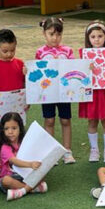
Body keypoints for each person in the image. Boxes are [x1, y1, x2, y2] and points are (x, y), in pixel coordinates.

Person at [79, 20, 105, 163]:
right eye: (93, 36)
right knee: (92, 122)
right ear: (88, 38)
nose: (96, 39)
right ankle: (94, 149)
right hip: (91, 93)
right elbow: (80, 74)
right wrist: (86, 69)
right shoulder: (84, 54)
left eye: (100, 36)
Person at [35, 17, 75, 164]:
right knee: (49, 120)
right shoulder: (40, 52)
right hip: (47, 93)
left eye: (58, 34)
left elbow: (74, 70)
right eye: (51, 34)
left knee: (65, 120)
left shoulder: (68, 51)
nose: (55, 38)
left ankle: (67, 151)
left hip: (64, 92)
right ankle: (51, 151)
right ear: (44, 34)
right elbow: (37, 71)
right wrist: (28, 70)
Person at [0, 113, 48, 201]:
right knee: (6, 180)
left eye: (14, 128)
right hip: (11, 177)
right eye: (6, 129)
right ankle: (31, 189)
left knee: (43, 171)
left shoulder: (25, 143)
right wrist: (30, 164)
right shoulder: (5, 147)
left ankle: (21, 191)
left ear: (20, 129)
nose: (10, 132)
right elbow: (14, 161)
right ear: (2, 131)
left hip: (25, 176)